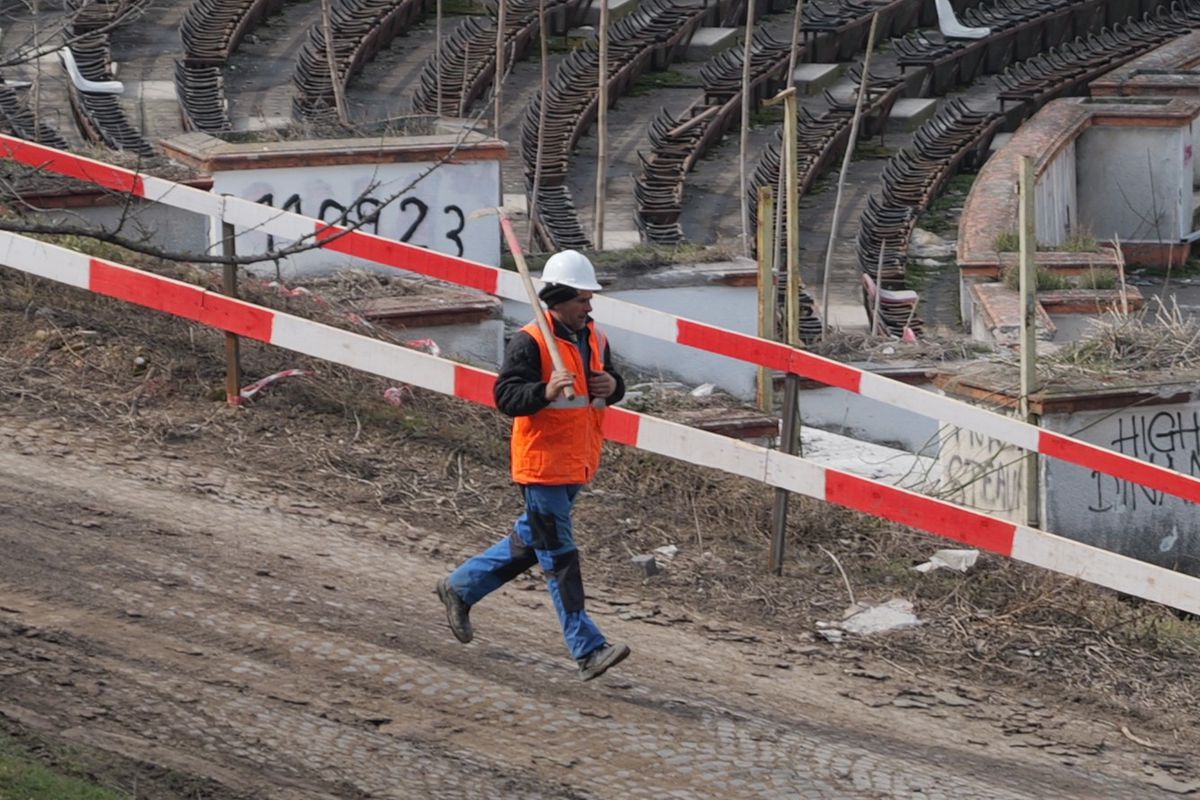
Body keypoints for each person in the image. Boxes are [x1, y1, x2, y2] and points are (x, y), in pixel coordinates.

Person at [436, 249, 631, 681]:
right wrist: (544, 391)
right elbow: (506, 398)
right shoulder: (530, 341)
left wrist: (613, 385)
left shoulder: (595, 337)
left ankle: (460, 587)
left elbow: (612, 386)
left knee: (530, 544)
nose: (589, 305)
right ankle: (587, 648)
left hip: (579, 461)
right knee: (560, 556)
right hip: (543, 467)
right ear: (559, 299)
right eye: (582, 298)